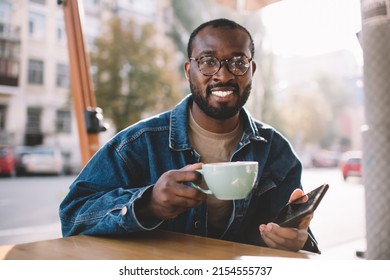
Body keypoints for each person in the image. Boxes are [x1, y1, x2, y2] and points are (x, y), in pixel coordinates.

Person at [59, 18, 320, 253]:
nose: (223, 74)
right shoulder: (138, 144)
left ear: (252, 70)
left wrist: (297, 239)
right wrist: (147, 203)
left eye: (238, 62)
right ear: (188, 71)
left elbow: (293, 230)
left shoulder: (276, 151)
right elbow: (72, 215)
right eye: (208, 61)